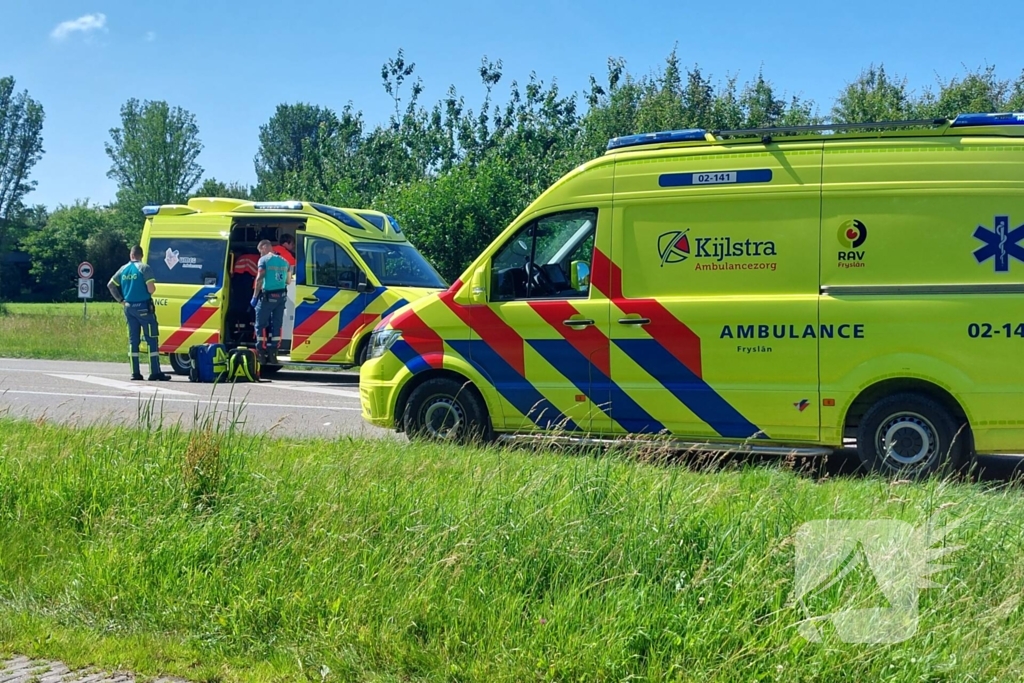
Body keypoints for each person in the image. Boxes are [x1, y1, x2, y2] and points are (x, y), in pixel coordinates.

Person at [108, 245, 171, 381]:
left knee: (133, 340)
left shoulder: (123, 269)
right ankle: (154, 372)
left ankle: (135, 372)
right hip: (143, 308)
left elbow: (110, 285)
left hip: (129, 308)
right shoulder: (144, 268)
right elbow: (151, 289)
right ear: (141, 255)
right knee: (151, 339)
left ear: (131, 255)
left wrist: (121, 300)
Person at [252, 239, 290, 364]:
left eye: (260, 251)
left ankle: (261, 353)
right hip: (281, 297)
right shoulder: (284, 261)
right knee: (277, 324)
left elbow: (259, 279)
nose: (260, 254)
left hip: (267, 297)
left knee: (260, 324)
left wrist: (255, 296)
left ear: (264, 247)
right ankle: (273, 353)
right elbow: (288, 281)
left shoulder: (264, 260)